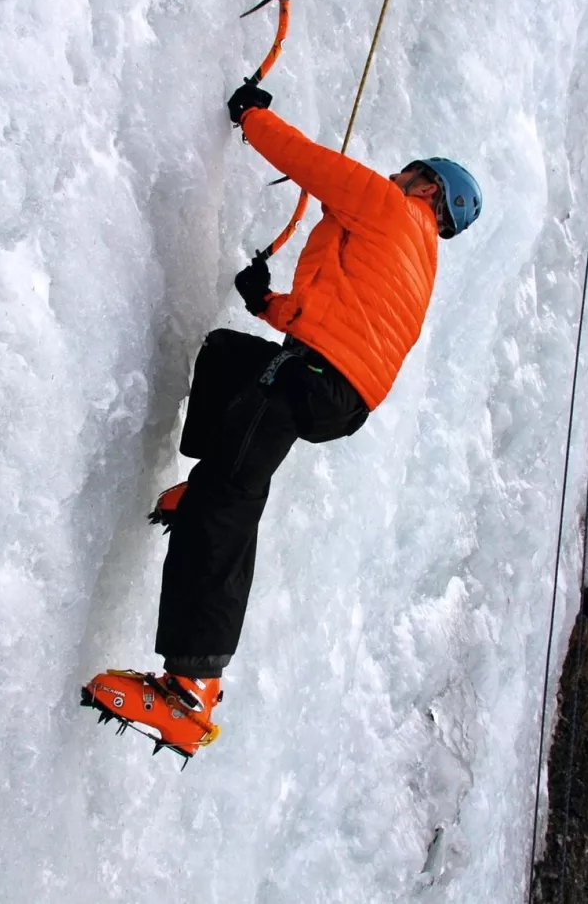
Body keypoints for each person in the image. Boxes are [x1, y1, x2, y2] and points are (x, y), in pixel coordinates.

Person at [81, 79, 483, 758]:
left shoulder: (390, 209)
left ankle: (190, 691)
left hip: (314, 375)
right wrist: (267, 305)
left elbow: (310, 164)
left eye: (409, 170)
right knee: (229, 355)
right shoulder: (418, 264)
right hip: (333, 391)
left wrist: (253, 115)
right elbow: (338, 323)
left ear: (425, 186)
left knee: (228, 504)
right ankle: (201, 488)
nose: (397, 172)